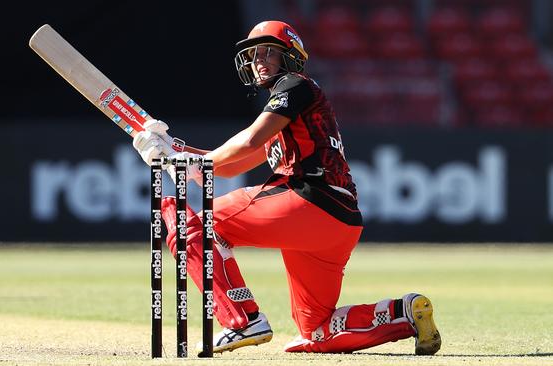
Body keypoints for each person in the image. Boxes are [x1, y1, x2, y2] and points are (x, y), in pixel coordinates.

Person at [132, 20, 441, 355]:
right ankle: (404, 313)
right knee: (317, 330)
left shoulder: (295, 86)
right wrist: (174, 150)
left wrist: (191, 161)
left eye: (269, 52)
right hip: (338, 224)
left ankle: (241, 320)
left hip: (309, 201)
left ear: (291, 58)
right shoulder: (288, 109)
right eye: (254, 55)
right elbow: (229, 165)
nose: (259, 60)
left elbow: (249, 141)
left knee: (192, 223)